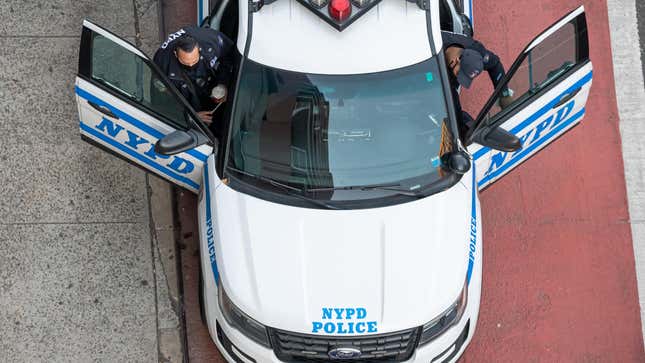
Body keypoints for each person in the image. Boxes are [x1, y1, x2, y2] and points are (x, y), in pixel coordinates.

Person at [153, 27, 233, 125]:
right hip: (187, 103)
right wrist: (190, 116)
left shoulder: (211, 40)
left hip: (209, 85)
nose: (191, 65)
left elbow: (231, 56)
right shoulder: (162, 64)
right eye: (185, 62)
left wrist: (223, 83)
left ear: (199, 49)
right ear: (175, 54)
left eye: (195, 61)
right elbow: (160, 104)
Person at [441, 31, 514, 135]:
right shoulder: (433, 51)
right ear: (456, 60)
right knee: (451, 111)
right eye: (459, 74)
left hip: (447, 75)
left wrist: (504, 94)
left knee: (455, 113)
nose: (460, 79)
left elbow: (495, 64)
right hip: (434, 74)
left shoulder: (476, 50)